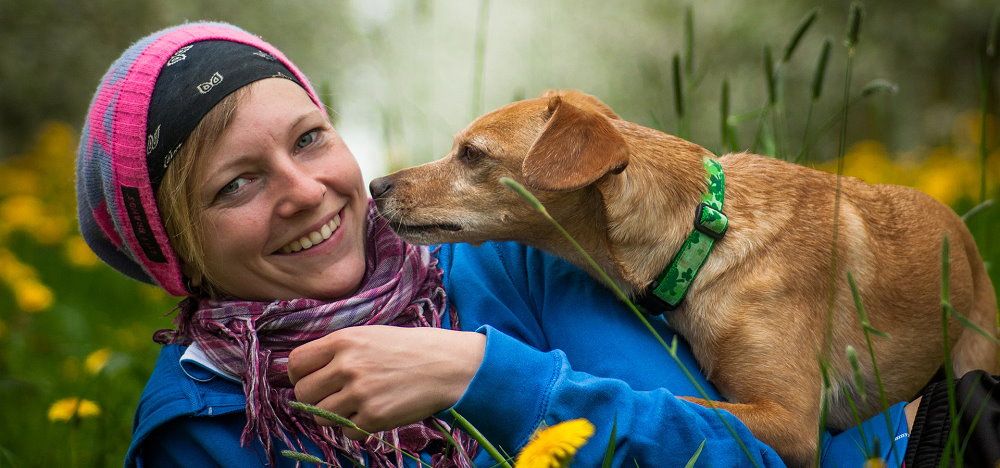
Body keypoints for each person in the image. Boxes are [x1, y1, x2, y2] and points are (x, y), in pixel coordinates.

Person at [77, 22, 931, 467]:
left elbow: (749, 456)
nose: (309, 191)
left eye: (309, 138)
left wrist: (483, 376)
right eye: (237, 184)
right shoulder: (198, 427)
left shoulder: (519, 254)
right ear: (175, 254)